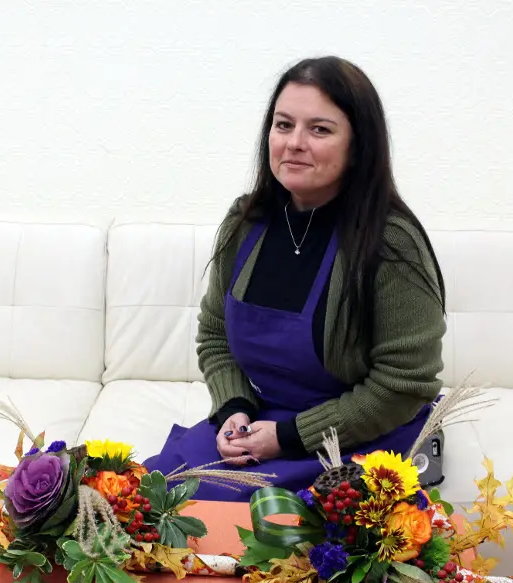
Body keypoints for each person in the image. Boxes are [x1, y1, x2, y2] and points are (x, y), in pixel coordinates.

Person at [143, 56, 447, 501]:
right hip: (263, 425)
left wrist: (288, 436)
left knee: (256, 530)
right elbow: (215, 334)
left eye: (320, 129)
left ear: (359, 145)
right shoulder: (246, 222)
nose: (294, 143)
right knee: (150, 500)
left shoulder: (392, 243)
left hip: (357, 442)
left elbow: (405, 386)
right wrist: (234, 408)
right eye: (283, 125)